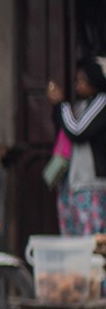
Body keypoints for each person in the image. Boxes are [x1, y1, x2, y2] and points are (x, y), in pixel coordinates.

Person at [49, 58, 106, 236]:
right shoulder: (81, 105)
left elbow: (78, 130)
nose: (77, 85)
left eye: (81, 80)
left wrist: (60, 105)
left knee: (91, 238)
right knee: (72, 238)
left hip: (89, 184)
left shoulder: (101, 101)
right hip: (72, 183)